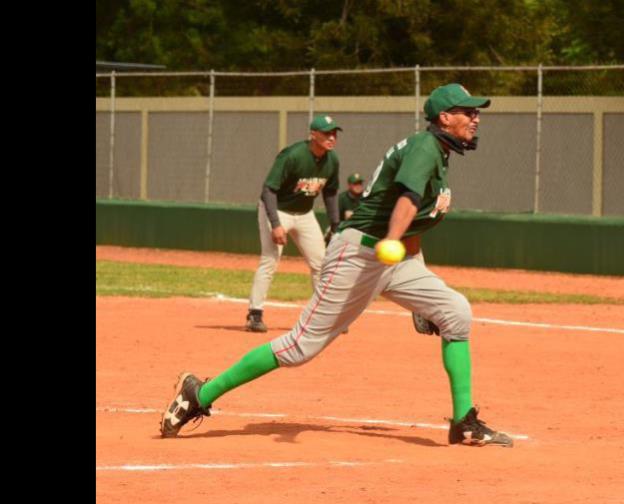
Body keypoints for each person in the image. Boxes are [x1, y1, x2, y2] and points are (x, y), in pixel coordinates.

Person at [161, 83, 513, 447]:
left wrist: (419, 287)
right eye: (468, 112)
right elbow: (407, 200)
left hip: (395, 259)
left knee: (454, 312)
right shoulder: (425, 147)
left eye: (476, 112)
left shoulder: (438, 154)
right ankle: (198, 394)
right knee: (300, 347)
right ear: (444, 118)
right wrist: (392, 239)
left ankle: (464, 422)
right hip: (359, 255)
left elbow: (417, 221)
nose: (476, 118)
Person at [245, 115, 343, 333]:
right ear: (313, 135)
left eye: (334, 133)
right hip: (277, 209)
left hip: (305, 214)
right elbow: (268, 189)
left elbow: (330, 192)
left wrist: (336, 224)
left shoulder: (332, 160)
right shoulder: (293, 156)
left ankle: (323, 317)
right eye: (327, 133)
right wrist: (276, 224)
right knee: (270, 261)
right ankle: (255, 314)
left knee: (320, 264)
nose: (332, 137)